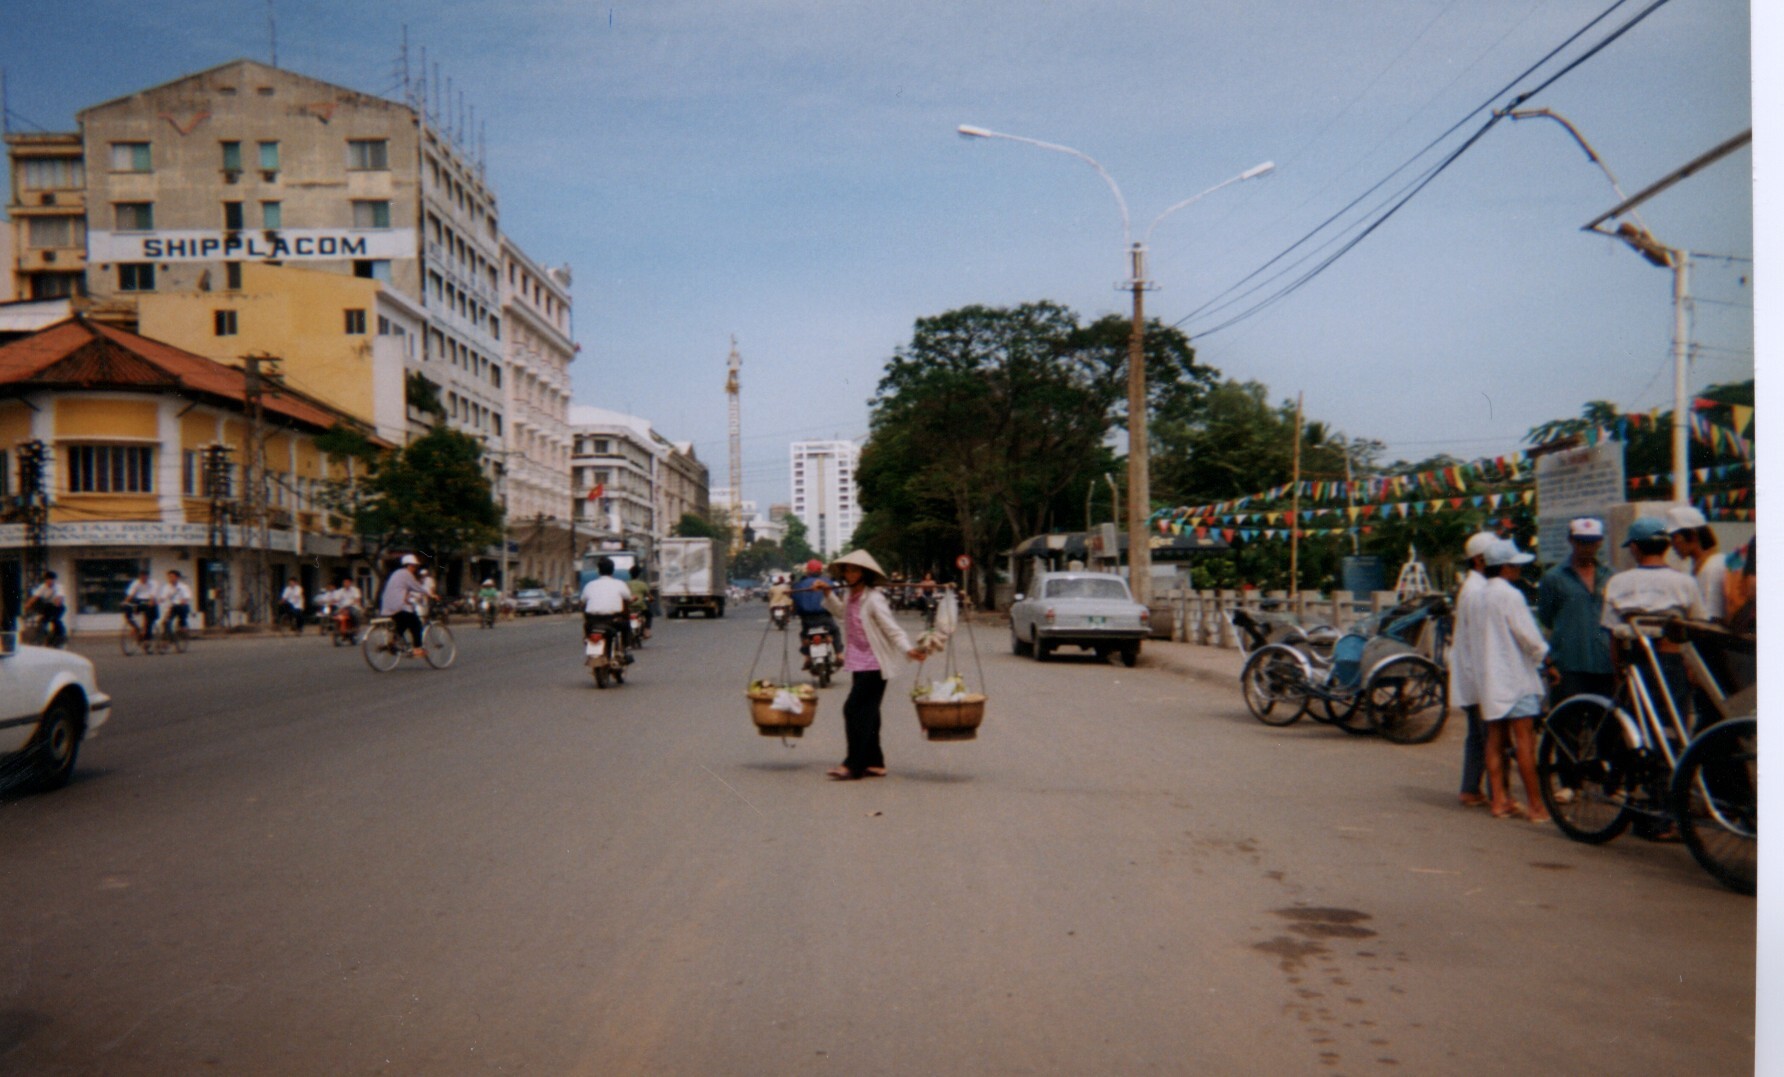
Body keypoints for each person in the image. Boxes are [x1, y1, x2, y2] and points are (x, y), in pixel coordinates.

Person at [815, 550, 926, 781]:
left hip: (875, 662)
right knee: (870, 713)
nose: (849, 573)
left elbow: (890, 627)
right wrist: (828, 593)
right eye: (847, 569)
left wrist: (908, 649)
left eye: (854, 570)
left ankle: (853, 764)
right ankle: (875, 763)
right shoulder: (849, 596)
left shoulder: (874, 598)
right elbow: (840, 614)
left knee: (853, 709)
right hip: (857, 660)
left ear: (864, 574)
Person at [1472, 539, 1551, 823]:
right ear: (1505, 567)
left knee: (1494, 740)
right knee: (1524, 743)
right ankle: (1536, 806)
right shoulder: (1511, 596)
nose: (1518, 569)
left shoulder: (1479, 595)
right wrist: (1544, 656)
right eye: (1515, 564)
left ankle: (1499, 801)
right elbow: (1529, 637)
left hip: (1490, 679)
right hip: (1515, 678)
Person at [1602, 517, 1706, 732]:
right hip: (1672, 661)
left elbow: (1613, 634)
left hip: (1634, 663)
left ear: (1634, 547)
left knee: (1636, 726)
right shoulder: (1685, 582)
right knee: (1674, 725)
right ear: (1666, 546)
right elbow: (1698, 628)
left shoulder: (1617, 582)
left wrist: (1616, 670)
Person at [1535, 518, 1615, 703]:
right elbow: (1546, 618)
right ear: (1571, 540)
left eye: (1592, 541)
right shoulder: (1553, 578)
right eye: (1581, 541)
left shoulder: (1610, 576)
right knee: (1567, 723)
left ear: (1600, 542)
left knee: (1607, 725)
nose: (1587, 547)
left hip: (1605, 664)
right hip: (1569, 663)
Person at [1449, 531, 1499, 808]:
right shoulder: (1478, 591)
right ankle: (1497, 793)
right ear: (1480, 560)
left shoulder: (1474, 587)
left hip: (1472, 673)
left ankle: (1471, 788)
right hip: (1479, 675)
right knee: (1491, 736)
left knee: (1478, 735)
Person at [1665, 506, 1726, 624]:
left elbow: (1710, 620)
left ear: (1692, 536)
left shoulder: (1711, 567)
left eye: (1674, 537)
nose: (1672, 544)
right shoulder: (1705, 565)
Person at [791, 559, 842, 665]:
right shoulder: (828, 582)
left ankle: (807, 657)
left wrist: (796, 613)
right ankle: (839, 654)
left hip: (807, 620)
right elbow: (836, 595)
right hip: (825, 618)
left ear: (807, 571)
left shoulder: (799, 585)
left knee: (804, 635)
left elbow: (795, 601)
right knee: (835, 631)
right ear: (820, 570)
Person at [580, 556, 635, 654]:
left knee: (587, 631)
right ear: (613, 570)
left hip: (592, 621)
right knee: (626, 625)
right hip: (612, 621)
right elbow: (628, 598)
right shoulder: (619, 584)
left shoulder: (590, 585)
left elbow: (583, 601)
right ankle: (625, 648)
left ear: (598, 571)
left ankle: (588, 642)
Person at [380, 554, 431, 658]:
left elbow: (402, 591)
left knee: (402, 623)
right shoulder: (406, 574)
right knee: (416, 624)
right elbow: (417, 587)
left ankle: (393, 641)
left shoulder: (396, 574)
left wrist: (408, 599)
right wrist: (431, 594)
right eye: (413, 566)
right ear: (408, 566)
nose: (414, 568)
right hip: (397, 606)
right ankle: (417, 649)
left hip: (387, 606)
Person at [28, 571, 68, 646]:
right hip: (48, 607)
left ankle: (60, 637)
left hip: (58, 607)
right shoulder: (42, 587)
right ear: (46, 580)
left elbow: (59, 599)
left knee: (55, 620)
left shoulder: (59, 587)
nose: (50, 582)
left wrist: (56, 601)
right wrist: (28, 605)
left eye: (52, 580)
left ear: (54, 580)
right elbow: (35, 597)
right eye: (48, 580)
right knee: (42, 622)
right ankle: (40, 638)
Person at [123, 568, 161, 644]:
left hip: (150, 601)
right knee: (127, 609)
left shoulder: (154, 583)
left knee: (149, 618)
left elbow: (153, 595)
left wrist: (151, 601)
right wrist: (125, 602)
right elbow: (131, 594)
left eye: (145, 577)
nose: (143, 578)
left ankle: (147, 637)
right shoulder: (136, 583)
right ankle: (135, 627)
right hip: (139, 601)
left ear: (148, 577)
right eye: (141, 577)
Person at [163, 570, 194, 636]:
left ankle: (183, 626)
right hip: (172, 607)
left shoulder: (183, 587)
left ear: (177, 577)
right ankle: (168, 637)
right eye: (169, 577)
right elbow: (163, 597)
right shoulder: (167, 587)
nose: (170, 579)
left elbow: (187, 596)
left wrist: (184, 600)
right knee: (166, 622)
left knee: (182, 610)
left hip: (182, 606)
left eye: (172, 577)